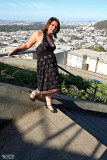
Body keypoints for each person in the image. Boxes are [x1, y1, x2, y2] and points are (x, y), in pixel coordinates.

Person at [7, 17, 61, 113]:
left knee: (53, 85)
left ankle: (48, 102)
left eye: (56, 27)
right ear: (48, 24)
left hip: (52, 64)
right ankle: (35, 92)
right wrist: (15, 49)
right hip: (43, 64)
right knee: (43, 86)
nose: (53, 28)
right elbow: (27, 46)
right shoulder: (38, 34)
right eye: (52, 25)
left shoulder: (51, 37)